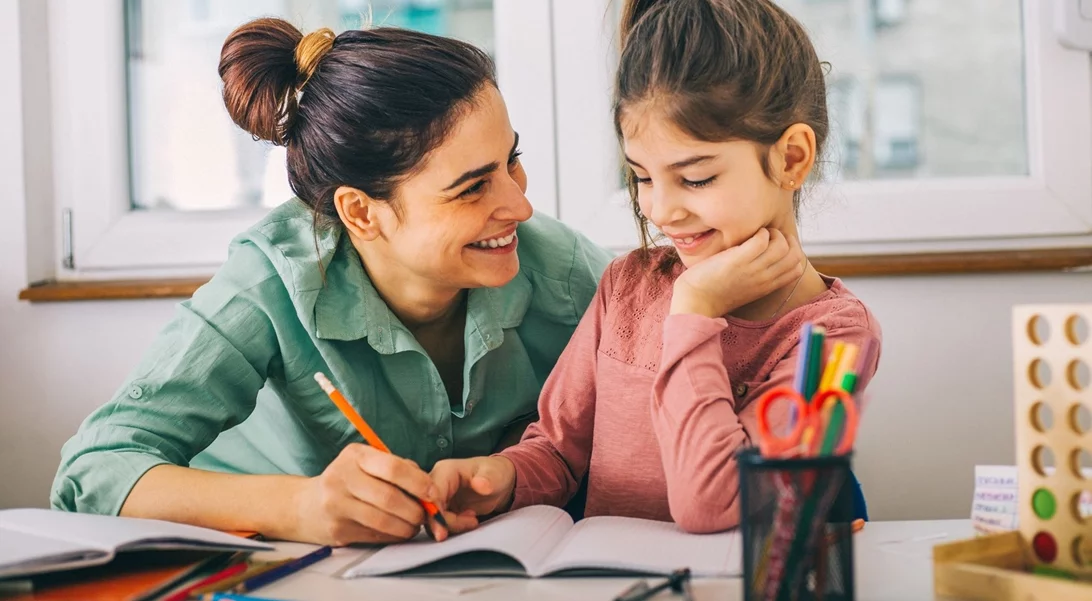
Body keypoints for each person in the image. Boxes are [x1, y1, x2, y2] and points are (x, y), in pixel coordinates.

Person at [51, 19, 611, 546]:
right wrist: (299, 507)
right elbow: (92, 473)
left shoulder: (562, 271)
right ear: (361, 213)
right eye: (472, 188)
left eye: (512, 160)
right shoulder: (268, 282)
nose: (521, 205)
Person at [430, 0, 883, 534]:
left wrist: (694, 312)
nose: (661, 210)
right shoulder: (627, 286)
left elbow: (713, 503)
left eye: (695, 178)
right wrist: (499, 478)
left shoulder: (833, 338)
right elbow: (556, 450)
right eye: (643, 177)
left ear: (791, 158)